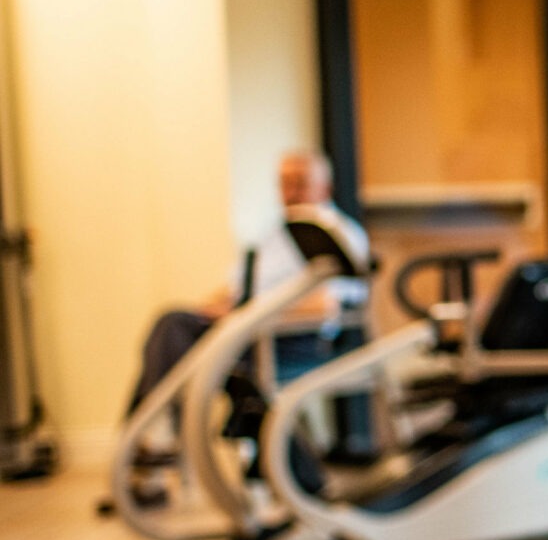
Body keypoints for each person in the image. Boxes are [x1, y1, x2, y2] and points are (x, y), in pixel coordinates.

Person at [123, 148, 369, 422]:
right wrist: (218, 308)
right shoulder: (276, 233)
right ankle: (155, 429)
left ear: (324, 188)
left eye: (300, 182)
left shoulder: (337, 234)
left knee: (176, 332)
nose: (290, 192)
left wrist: (247, 315)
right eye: (284, 183)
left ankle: (156, 430)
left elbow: (325, 305)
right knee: (174, 326)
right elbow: (234, 286)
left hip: (285, 338)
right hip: (245, 331)